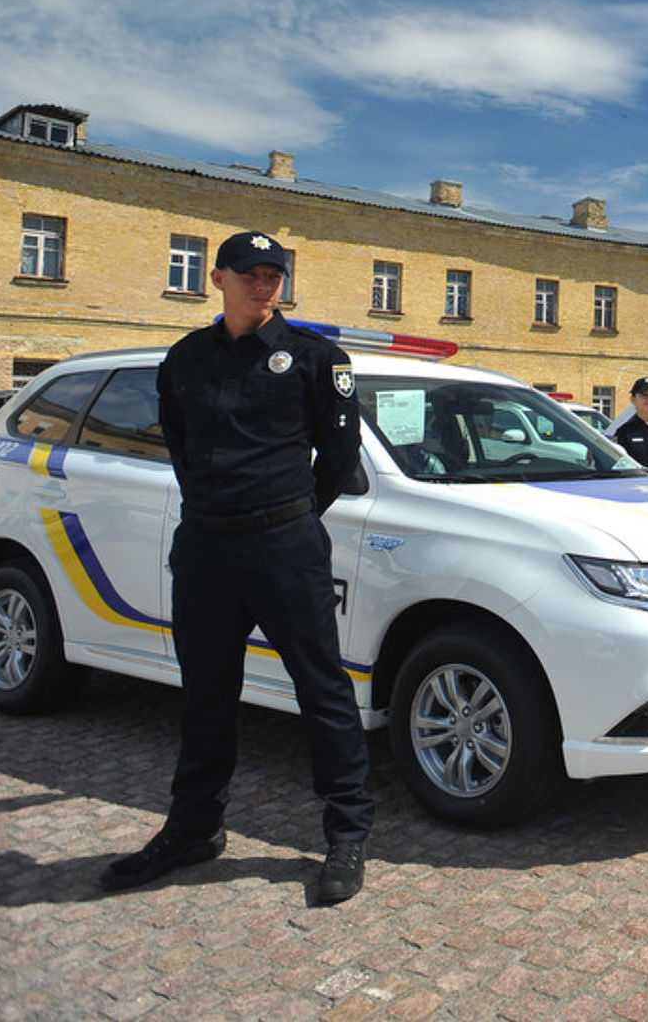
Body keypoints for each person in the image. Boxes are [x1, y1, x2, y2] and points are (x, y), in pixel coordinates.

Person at [101, 231, 373, 904]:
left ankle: (346, 833)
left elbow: (340, 463)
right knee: (205, 692)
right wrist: (217, 516)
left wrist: (288, 515)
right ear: (216, 278)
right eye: (249, 272)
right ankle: (195, 828)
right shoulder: (186, 359)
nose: (263, 283)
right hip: (207, 548)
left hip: (285, 546)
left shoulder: (316, 359)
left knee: (323, 689)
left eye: (273, 273)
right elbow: (182, 448)